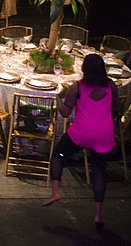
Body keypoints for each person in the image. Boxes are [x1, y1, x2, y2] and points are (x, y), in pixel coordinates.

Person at [44, 53, 120, 225]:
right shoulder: (111, 86)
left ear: (84, 69)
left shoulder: (77, 88)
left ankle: (56, 192)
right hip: (104, 133)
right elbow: (117, 108)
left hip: (82, 132)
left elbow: (65, 112)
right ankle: (98, 214)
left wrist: (58, 98)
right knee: (99, 171)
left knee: (58, 155)